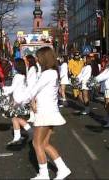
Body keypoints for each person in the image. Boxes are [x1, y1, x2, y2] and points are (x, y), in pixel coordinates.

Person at [26, 47, 71, 179]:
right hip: (50, 110)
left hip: (45, 112)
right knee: (44, 144)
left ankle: (44, 174)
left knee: (37, 143)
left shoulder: (48, 74)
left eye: (38, 57)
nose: (37, 60)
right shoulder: (52, 72)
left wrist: (18, 100)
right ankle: (63, 168)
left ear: (44, 58)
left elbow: (33, 90)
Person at [3, 59, 33, 145]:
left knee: (15, 118)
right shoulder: (23, 75)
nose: (13, 65)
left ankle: (26, 134)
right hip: (21, 98)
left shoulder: (17, 76)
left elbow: (12, 88)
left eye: (14, 64)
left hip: (18, 99)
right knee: (15, 118)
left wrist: (3, 89)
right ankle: (20, 136)